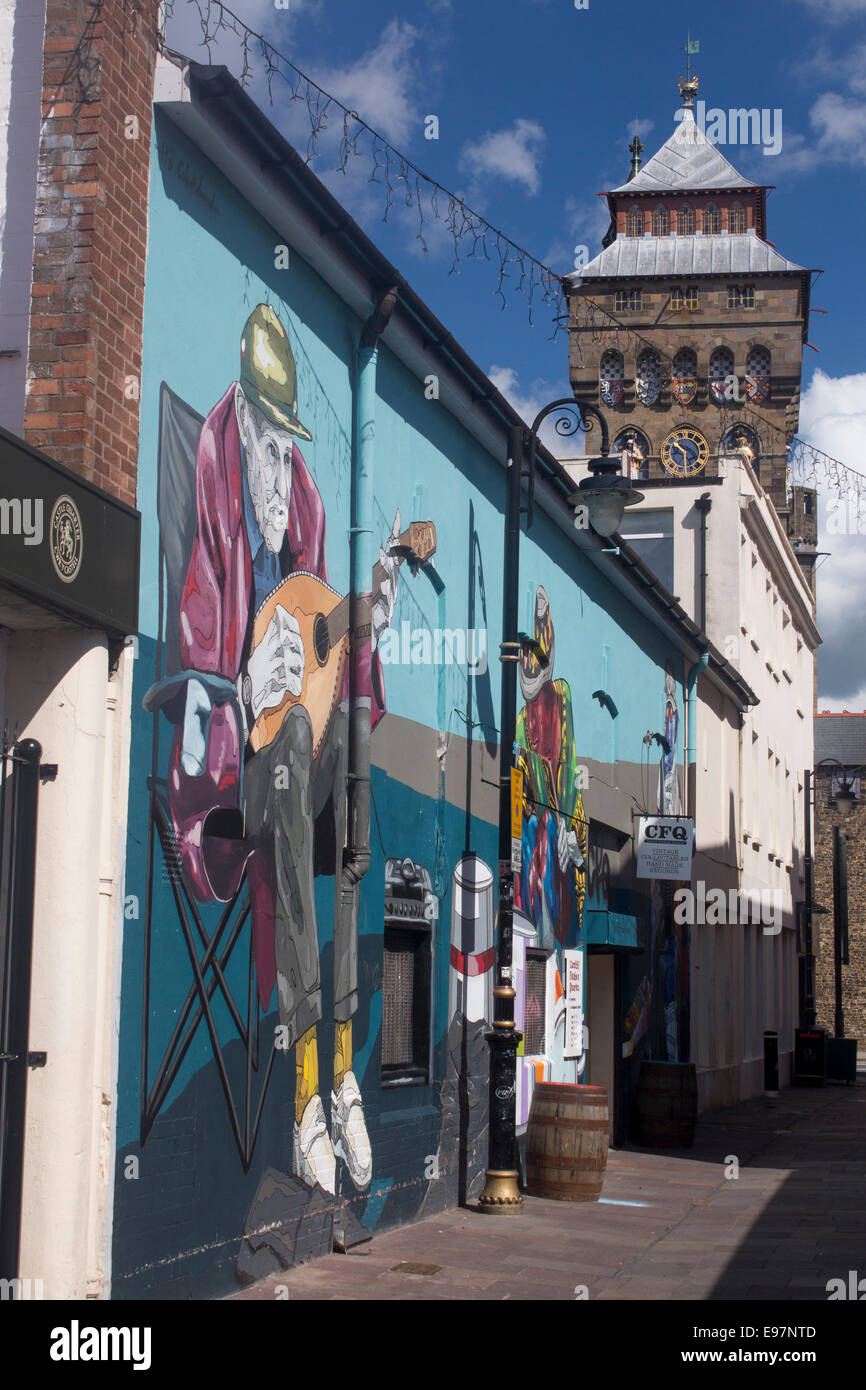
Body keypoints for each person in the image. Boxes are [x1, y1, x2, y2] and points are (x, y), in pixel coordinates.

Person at [168, 304, 400, 1196]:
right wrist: (240, 682)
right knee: (299, 731)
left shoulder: (301, 494)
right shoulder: (214, 473)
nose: (279, 460)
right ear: (244, 416)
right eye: (269, 436)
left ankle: (340, 1075)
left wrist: (367, 607)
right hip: (235, 772)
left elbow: (329, 639)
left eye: (286, 441)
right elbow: (197, 644)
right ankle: (309, 1083)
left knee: (341, 741)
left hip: (298, 774)